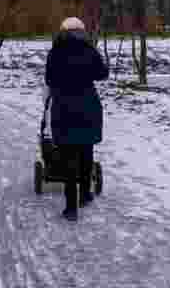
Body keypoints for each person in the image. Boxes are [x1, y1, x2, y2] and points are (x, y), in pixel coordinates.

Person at [44, 16, 109, 221]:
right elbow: (102, 74)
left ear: (62, 32)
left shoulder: (55, 53)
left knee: (69, 156)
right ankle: (85, 194)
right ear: (82, 32)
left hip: (64, 109)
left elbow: (49, 79)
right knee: (86, 151)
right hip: (88, 108)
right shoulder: (89, 51)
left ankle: (71, 208)